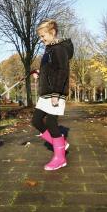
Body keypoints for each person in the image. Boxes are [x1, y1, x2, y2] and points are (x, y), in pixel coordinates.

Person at [31, 19, 74, 171]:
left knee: (51, 122)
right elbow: (51, 70)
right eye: (40, 37)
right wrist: (39, 73)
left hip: (55, 92)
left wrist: (56, 93)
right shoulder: (49, 49)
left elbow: (62, 71)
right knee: (36, 121)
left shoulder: (60, 49)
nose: (42, 39)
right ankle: (61, 143)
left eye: (43, 36)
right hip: (46, 93)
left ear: (53, 32)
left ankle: (60, 158)